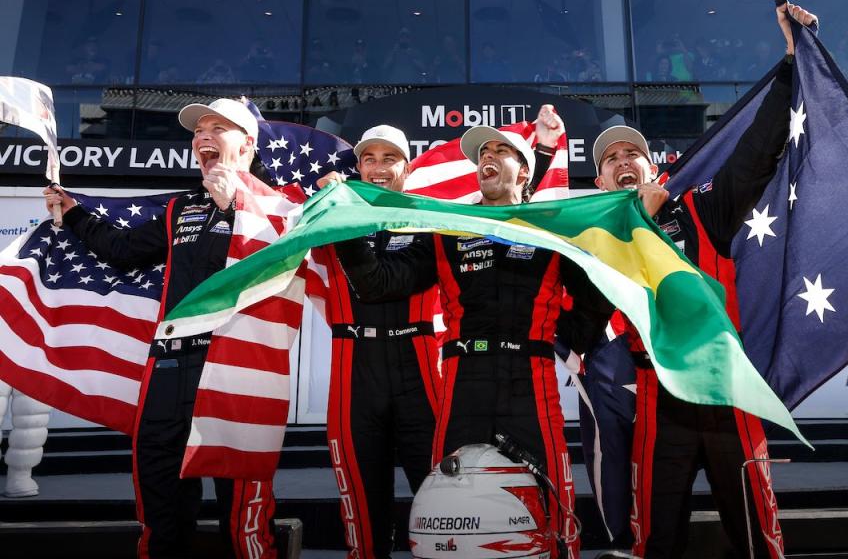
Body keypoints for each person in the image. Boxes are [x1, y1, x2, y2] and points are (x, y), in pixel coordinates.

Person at [591, 1, 817, 559]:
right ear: (597, 180)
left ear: (652, 169)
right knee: (655, 540)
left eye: (632, 154)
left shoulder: (698, 211)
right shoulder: (591, 239)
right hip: (653, 394)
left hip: (725, 388)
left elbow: (756, 156)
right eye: (610, 158)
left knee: (756, 535)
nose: (623, 160)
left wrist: (792, 60)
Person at [333, 122, 609, 559]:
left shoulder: (553, 230)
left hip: (529, 382)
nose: (488, 157)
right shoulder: (448, 229)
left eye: (502, 151)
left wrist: (569, 336)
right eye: (483, 152)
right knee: (450, 501)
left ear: (523, 172)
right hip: (462, 384)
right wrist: (344, 224)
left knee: (551, 504)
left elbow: (597, 297)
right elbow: (376, 283)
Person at [43, 98, 278, 559]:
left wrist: (236, 203)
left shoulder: (277, 203)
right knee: (160, 495)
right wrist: (72, 211)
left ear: (248, 143)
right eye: (198, 130)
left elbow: (281, 267)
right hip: (170, 365)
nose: (203, 136)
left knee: (241, 504)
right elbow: (124, 249)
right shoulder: (181, 207)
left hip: (233, 364)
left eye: (218, 128)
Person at [313, 125, 442, 559]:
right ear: (359, 168)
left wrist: (343, 216)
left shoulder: (429, 220)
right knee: (363, 504)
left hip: (418, 369)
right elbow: (268, 213)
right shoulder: (327, 214)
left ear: (407, 168)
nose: (379, 167)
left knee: (439, 494)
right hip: (355, 368)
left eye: (390, 159)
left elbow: (380, 283)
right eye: (370, 159)